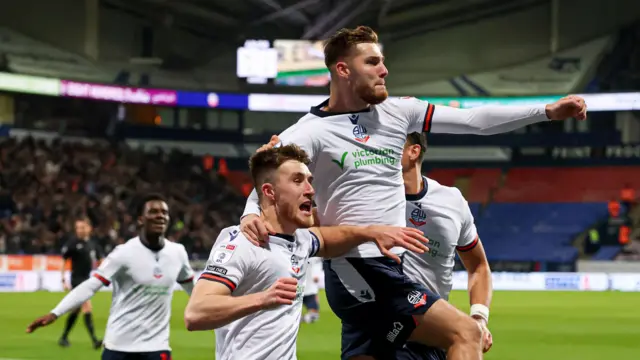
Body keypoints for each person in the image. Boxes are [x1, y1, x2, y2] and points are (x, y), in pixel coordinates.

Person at [239, 26, 587, 360]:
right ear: (343, 69)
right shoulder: (310, 132)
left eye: (383, 61)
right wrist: (251, 213)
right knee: (466, 333)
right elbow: (268, 175)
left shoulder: (399, 112)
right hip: (356, 269)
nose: (385, 70)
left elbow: (474, 120)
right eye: (372, 62)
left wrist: (545, 111)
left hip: (391, 270)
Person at [183, 144, 429, 360]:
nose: (311, 189)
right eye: (298, 180)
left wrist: (370, 233)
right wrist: (262, 299)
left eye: (309, 180)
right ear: (269, 192)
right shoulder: (242, 242)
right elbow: (196, 313)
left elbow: (325, 238)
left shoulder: (299, 240)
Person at [26, 193, 196, 360]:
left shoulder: (177, 253)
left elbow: (194, 291)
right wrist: (55, 313)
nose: (160, 216)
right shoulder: (123, 253)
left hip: (157, 348)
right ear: (140, 219)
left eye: (164, 212)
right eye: (153, 212)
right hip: (119, 348)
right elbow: (91, 285)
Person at [397, 133, 494, 358]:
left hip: (437, 335)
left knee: (470, 334)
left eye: (392, 143)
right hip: (384, 333)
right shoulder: (366, 199)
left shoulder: (452, 202)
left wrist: (479, 317)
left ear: (414, 151)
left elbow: (478, 266)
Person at [58, 216, 104, 349]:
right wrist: (63, 279)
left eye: (82, 227)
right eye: (77, 227)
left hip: (87, 279)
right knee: (87, 307)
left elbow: (101, 260)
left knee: (76, 310)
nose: (79, 230)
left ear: (89, 228)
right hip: (77, 279)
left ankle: (64, 337)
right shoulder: (72, 243)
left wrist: (103, 273)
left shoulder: (93, 244)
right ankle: (95, 341)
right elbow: (64, 260)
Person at [302, 257, 323, 324]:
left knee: (314, 315)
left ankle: (301, 319)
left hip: (308, 289)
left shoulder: (314, 257)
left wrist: (315, 276)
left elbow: (317, 266)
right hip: (302, 289)